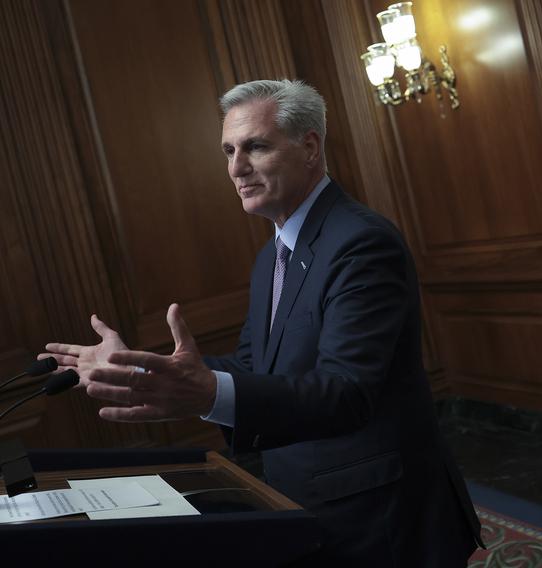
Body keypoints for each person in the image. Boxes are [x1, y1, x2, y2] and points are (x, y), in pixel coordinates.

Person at [43, 79, 482, 566]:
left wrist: (209, 394)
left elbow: (347, 391)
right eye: (229, 150)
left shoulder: (361, 243)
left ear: (310, 147)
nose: (236, 168)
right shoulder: (270, 256)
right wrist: (142, 370)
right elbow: (257, 365)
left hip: (381, 513)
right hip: (304, 497)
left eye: (255, 147)